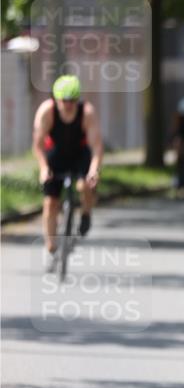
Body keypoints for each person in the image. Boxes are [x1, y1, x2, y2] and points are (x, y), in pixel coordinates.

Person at [32, 75, 103, 270]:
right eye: (65, 100)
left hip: (79, 154)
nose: (69, 105)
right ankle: (51, 248)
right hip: (55, 155)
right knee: (50, 203)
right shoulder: (47, 112)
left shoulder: (87, 113)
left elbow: (97, 148)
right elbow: (37, 146)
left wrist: (93, 171)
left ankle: (86, 214)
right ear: (56, 99)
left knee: (85, 185)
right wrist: (44, 168)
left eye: (73, 100)